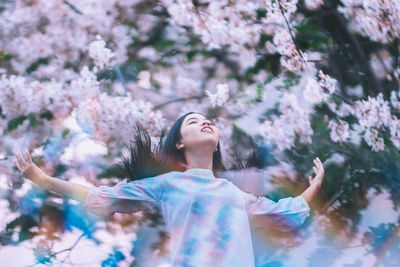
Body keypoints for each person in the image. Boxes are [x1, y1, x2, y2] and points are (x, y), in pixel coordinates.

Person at [14, 112, 325, 267]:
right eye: (193, 122)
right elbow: (101, 197)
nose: (205, 123)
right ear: (179, 142)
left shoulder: (233, 193)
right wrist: (44, 180)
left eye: (208, 121)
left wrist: (314, 185)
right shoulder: (167, 183)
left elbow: (288, 213)